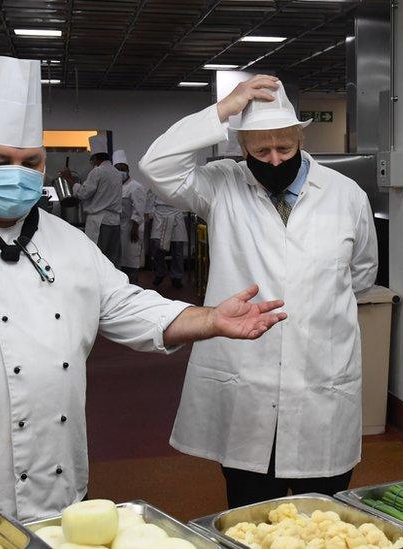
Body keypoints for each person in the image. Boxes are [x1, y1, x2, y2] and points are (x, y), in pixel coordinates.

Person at [0, 56, 286, 521]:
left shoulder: (68, 242)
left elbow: (127, 305)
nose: (18, 172)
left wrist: (209, 319)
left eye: (30, 162)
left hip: (56, 473)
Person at [141, 75, 378, 507]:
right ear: (241, 147)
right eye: (259, 150)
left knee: (324, 514)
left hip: (321, 381)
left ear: (300, 139)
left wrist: (314, 305)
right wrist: (223, 109)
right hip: (248, 383)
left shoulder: (346, 195)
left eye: (283, 149)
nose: (272, 160)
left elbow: (361, 273)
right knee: (251, 511)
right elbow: (156, 167)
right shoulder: (220, 185)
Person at [72, 136, 123, 265]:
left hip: (100, 221)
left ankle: (100, 284)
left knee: (98, 257)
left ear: (95, 158)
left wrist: (72, 182)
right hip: (115, 221)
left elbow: (84, 193)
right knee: (113, 257)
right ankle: (116, 283)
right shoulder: (117, 173)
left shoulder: (97, 171)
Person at [115, 149, 149, 284]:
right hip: (120, 226)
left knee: (131, 259)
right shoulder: (117, 186)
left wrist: (134, 228)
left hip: (131, 227)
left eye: (122, 169)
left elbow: (139, 210)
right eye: (117, 169)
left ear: (128, 170)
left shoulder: (136, 187)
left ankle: (134, 286)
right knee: (122, 259)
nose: (120, 172)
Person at [147, 193, 189, 289]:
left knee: (177, 246)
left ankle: (176, 277)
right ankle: (160, 271)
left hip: (176, 209)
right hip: (160, 211)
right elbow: (150, 192)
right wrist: (148, 211)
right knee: (157, 244)